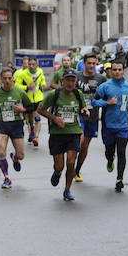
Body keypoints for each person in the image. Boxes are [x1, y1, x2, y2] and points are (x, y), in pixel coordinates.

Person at [38, 70, 89, 201]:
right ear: (62, 81)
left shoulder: (78, 94)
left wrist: (85, 112)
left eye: (73, 80)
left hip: (74, 132)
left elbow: (83, 109)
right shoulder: (54, 94)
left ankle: (67, 190)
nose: (70, 83)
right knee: (60, 165)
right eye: (68, 80)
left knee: (71, 162)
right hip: (57, 134)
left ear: (76, 82)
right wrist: (54, 118)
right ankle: (57, 171)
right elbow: (40, 109)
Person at [92, 61, 128, 192]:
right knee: (109, 151)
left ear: (123, 71)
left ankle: (119, 179)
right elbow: (94, 101)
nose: (117, 72)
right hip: (108, 126)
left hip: (123, 125)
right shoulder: (104, 87)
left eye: (119, 69)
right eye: (115, 70)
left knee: (122, 152)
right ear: (111, 71)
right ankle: (110, 160)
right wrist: (107, 102)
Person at [0, 68, 32, 189]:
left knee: (21, 155)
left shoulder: (20, 92)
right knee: (1, 152)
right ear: (1, 79)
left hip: (17, 125)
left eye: (9, 78)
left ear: (13, 79)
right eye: (5, 78)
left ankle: (15, 158)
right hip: (3, 125)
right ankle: (6, 177)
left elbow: (31, 107)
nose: (7, 81)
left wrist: (22, 110)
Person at [73, 54, 107, 182]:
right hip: (79, 114)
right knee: (80, 142)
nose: (91, 66)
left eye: (94, 63)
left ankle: (77, 170)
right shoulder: (77, 76)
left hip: (93, 116)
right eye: (89, 63)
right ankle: (71, 164)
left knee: (85, 146)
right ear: (84, 63)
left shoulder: (101, 79)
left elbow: (106, 96)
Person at [14, 57, 47, 147]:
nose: (31, 66)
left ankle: (36, 137)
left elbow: (42, 79)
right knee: (29, 119)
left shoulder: (40, 71)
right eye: (30, 64)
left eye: (33, 64)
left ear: (37, 64)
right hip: (27, 99)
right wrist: (27, 87)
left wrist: (43, 84)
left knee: (37, 117)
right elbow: (16, 85)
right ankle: (31, 132)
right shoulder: (23, 74)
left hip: (38, 97)